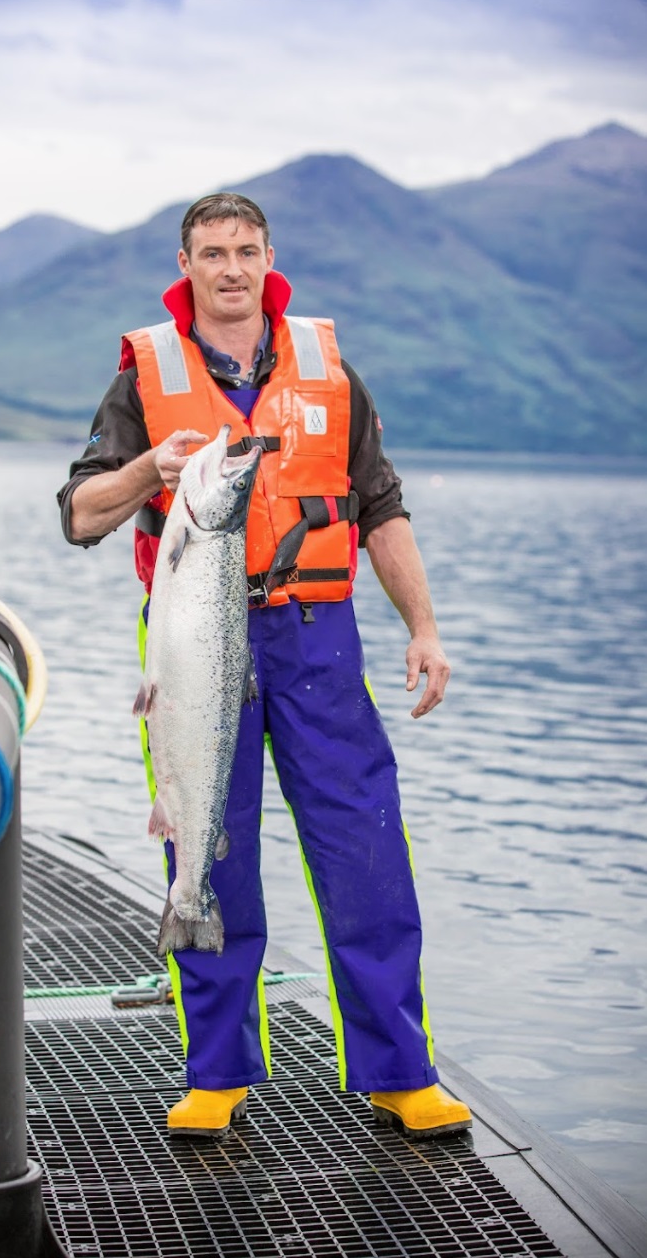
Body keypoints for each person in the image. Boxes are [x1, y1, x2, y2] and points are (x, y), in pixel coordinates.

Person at [57, 192, 472, 1142]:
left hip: (319, 639)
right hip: (195, 638)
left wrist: (425, 628)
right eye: (213, 253)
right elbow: (81, 514)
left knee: (367, 851)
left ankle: (401, 1072)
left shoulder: (330, 371)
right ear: (186, 264)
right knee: (206, 843)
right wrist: (147, 472)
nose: (232, 269)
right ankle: (218, 1072)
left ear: (270, 257)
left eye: (246, 251)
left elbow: (381, 506)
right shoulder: (145, 379)